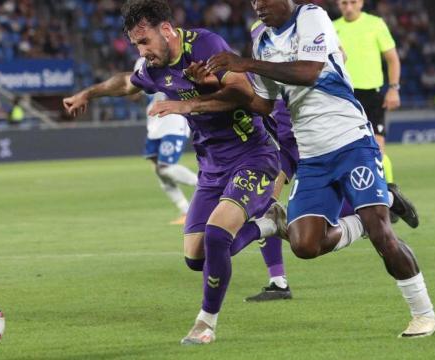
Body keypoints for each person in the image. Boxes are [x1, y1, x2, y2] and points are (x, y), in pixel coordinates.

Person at [196, 0, 435, 338]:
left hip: (351, 141)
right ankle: (367, 218)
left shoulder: (311, 16)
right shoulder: (262, 39)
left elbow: (309, 71)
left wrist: (247, 64)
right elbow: (264, 103)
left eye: (263, 0)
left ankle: (423, 313)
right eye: (252, 2)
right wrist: (213, 87)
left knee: (384, 234)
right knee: (305, 245)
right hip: (312, 156)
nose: (257, 6)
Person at [63, 0, 282, 345]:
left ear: (166, 30)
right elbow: (126, 83)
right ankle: (269, 223)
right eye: (136, 44)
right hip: (211, 166)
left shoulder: (206, 45)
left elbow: (245, 93)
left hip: (251, 154)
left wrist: (188, 103)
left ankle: (205, 323)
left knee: (216, 234)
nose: (142, 51)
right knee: (196, 258)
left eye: (144, 41)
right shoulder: (155, 67)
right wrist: (88, 93)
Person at [334, 0, 401, 184]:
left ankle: (391, 197)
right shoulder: (331, 28)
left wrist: (393, 89)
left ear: (361, 3)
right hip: (343, 96)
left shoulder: (375, 24)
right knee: (342, 151)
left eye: (352, 2)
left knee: (378, 149)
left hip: (372, 95)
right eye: (343, 3)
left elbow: (392, 59)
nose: (348, 7)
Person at [133, 57, 198, 225]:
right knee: (159, 170)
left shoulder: (175, 57)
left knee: (166, 168)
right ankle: (185, 210)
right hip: (155, 122)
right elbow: (135, 91)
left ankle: (207, 186)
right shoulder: (141, 63)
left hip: (174, 120)